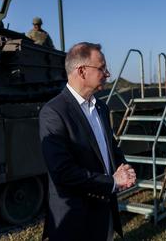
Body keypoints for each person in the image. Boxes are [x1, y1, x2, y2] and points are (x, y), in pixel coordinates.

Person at [39, 42, 136, 241]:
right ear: (82, 71)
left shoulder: (101, 107)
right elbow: (63, 172)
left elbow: (110, 147)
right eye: (101, 68)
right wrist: (112, 182)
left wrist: (123, 168)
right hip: (74, 220)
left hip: (104, 214)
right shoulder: (54, 112)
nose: (107, 73)